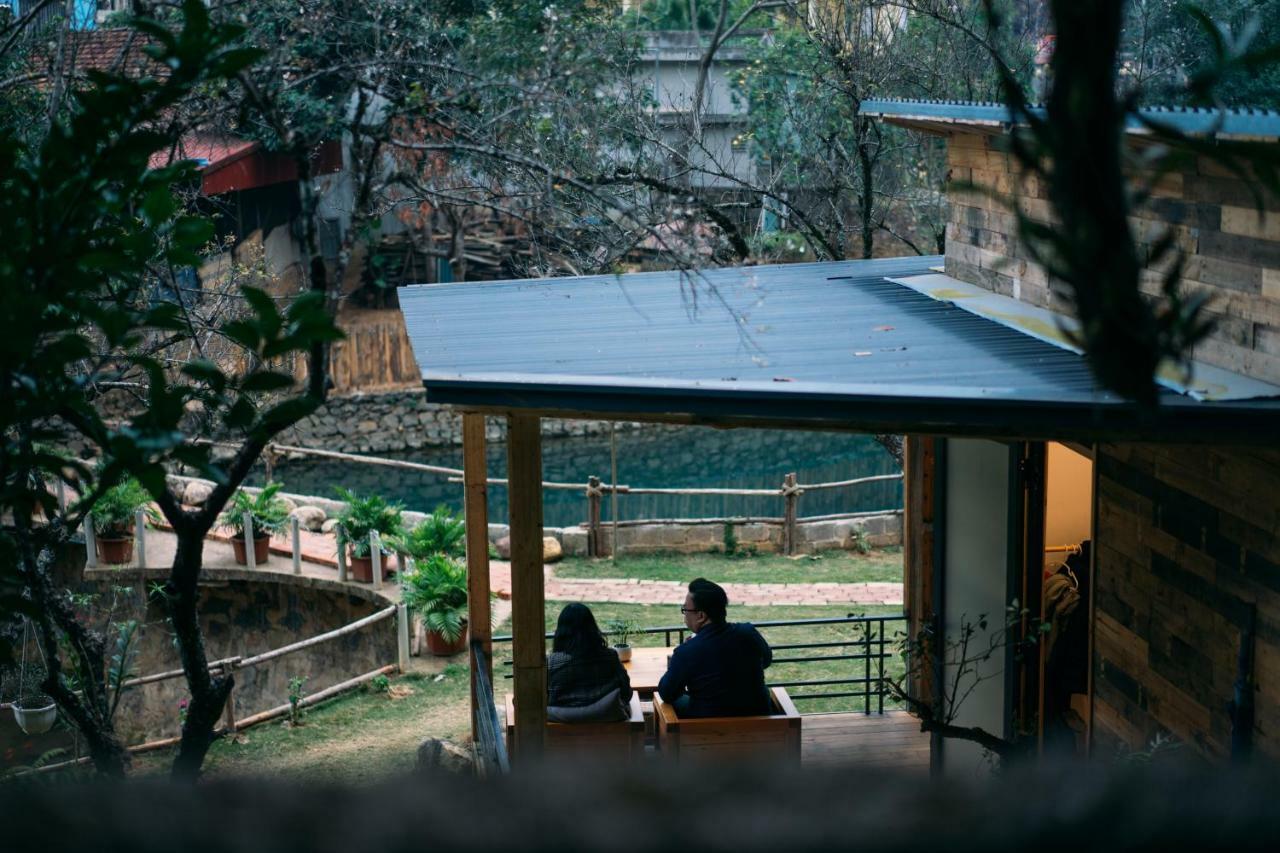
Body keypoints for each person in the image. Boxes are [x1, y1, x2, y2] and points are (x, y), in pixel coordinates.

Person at [658, 577, 772, 717]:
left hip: (709, 726)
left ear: (700, 616)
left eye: (685, 609)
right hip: (759, 719)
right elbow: (766, 660)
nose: (684, 614)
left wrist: (676, 663)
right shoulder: (748, 632)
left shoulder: (687, 651)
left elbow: (666, 693)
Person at [546, 603, 632, 722]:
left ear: (561, 632)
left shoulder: (551, 663)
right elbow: (627, 693)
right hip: (607, 722)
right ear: (592, 629)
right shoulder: (610, 657)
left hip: (562, 726)